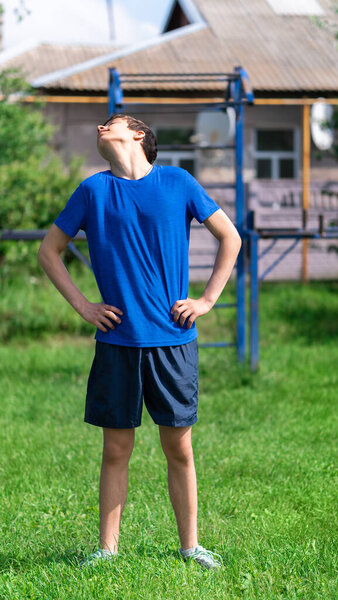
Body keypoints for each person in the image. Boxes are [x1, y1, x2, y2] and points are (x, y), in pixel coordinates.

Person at [37, 113, 242, 570]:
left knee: (179, 448)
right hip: (117, 342)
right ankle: (106, 553)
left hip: (173, 340)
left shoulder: (179, 182)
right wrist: (85, 307)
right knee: (116, 449)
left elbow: (230, 237)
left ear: (140, 135)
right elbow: (48, 252)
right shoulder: (92, 190)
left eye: (112, 123)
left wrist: (207, 300)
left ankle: (191, 547)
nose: (99, 128)